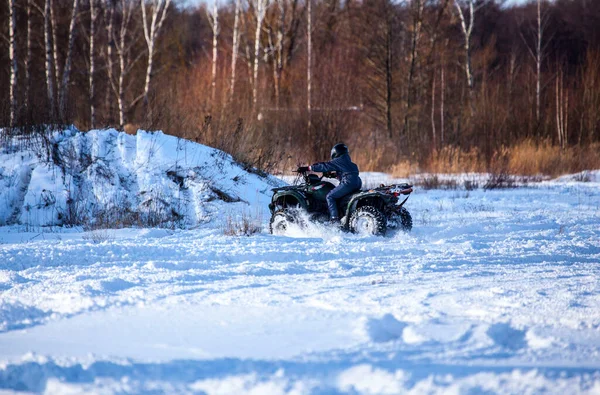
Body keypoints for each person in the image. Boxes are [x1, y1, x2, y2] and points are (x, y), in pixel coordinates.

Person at [297, 143, 362, 223]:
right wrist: (333, 175)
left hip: (348, 183)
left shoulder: (339, 160)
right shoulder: (349, 162)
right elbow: (346, 173)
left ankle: (334, 219)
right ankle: (342, 214)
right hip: (357, 183)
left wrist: (308, 168)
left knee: (330, 196)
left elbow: (325, 166)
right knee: (339, 197)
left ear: (335, 152)